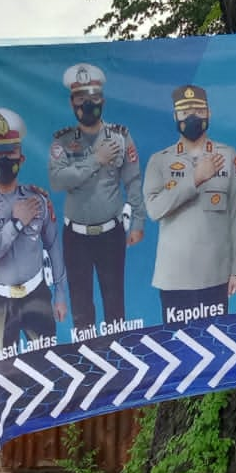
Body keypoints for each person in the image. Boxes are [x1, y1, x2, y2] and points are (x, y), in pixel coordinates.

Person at [48, 63, 146, 340]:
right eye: (81, 98)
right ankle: (89, 370)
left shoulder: (120, 137)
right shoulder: (63, 142)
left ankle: (118, 366)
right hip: (75, 237)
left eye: (93, 97)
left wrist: (138, 220)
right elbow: (58, 181)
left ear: (102, 99)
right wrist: (95, 160)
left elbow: (133, 181)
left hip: (111, 235)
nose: (87, 104)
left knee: (115, 305)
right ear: (72, 102)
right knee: (81, 309)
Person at [144, 85, 236, 323]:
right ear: (175, 117)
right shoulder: (159, 161)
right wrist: (195, 178)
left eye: (198, 110)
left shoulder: (228, 156)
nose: (192, 116)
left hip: (215, 275)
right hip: (174, 278)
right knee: (178, 348)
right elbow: (153, 210)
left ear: (209, 113)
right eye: (185, 112)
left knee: (216, 344)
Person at [0, 107, 67, 352]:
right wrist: (16, 224)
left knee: (48, 365)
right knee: (6, 373)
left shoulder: (38, 200)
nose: (3, 161)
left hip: (37, 296)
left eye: (10, 154)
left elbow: (54, 246)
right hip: (0, 302)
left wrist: (60, 294)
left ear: (21, 158)